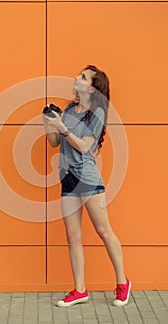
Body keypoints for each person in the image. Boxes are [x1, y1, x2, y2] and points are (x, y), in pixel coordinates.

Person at [43, 65, 131, 307]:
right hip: (68, 177)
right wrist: (49, 123)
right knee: (72, 235)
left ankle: (123, 283)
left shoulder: (96, 114)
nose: (76, 77)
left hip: (89, 179)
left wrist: (63, 127)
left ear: (92, 88)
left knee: (104, 231)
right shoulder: (70, 109)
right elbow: (54, 143)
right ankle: (80, 290)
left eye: (82, 77)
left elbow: (84, 147)